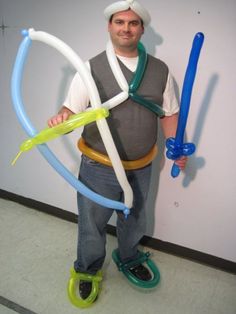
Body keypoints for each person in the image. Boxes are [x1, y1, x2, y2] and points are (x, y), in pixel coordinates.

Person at [48, 0, 187, 302]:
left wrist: (175, 147)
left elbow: (170, 114)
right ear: (109, 26)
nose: (126, 28)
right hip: (98, 167)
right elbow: (71, 111)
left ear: (141, 29)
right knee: (91, 224)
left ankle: (128, 257)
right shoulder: (90, 68)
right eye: (120, 22)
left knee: (135, 218)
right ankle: (87, 269)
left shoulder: (160, 71)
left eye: (133, 23)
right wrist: (62, 119)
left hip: (141, 165)